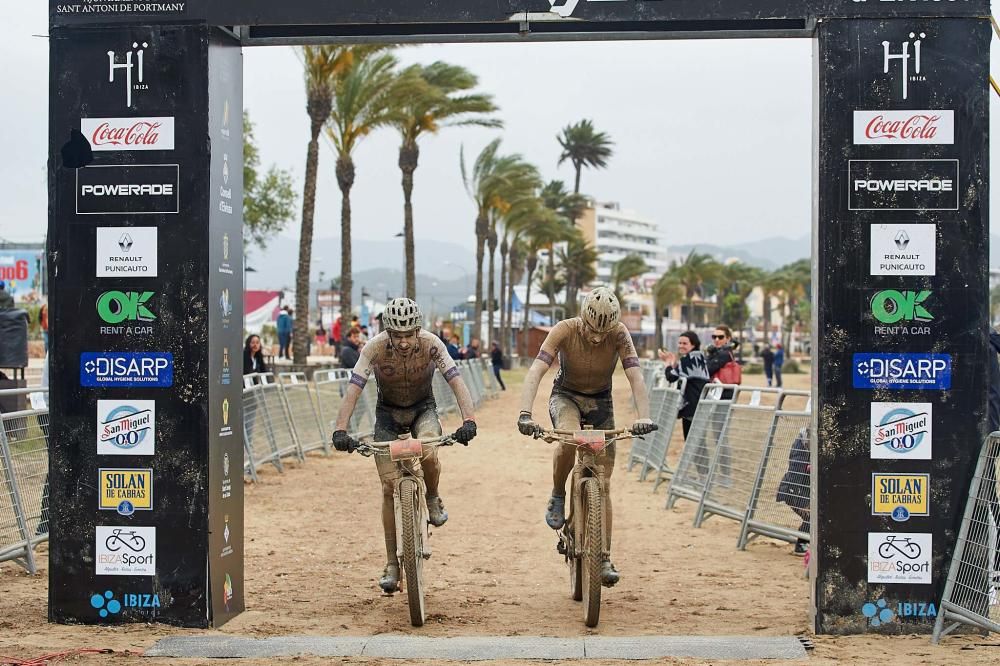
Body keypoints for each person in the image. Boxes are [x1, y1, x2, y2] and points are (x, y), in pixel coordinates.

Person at [331, 298, 478, 594]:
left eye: (409, 334)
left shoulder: (432, 343)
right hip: (387, 415)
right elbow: (354, 388)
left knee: (429, 449)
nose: (404, 342)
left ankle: (433, 496)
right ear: (388, 332)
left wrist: (468, 420)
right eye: (397, 335)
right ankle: (391, 564)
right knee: (387, 488)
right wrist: (340, 429)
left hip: (423, 409)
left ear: (418, 330)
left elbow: (456, 381)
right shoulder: (373, 348)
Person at [517, 287, 656, 587]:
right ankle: (558, 494)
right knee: (568, 438)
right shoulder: (563, 330)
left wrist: (643, 416)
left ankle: (604, 556)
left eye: (603, 332)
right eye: (593, 330)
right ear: (583, 319)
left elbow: (635, 375)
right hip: (565, 396)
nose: (597, 338)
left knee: (603, 484)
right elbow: (536, 371)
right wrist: (525, 413)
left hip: (601, 402)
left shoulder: (619, 334)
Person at [658, 331, 710, 439]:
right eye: (680, 343)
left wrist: (667, 363)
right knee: (698, 442)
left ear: (693, 344)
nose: (681, 346)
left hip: (691, 406)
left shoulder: (689, 359)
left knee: (692, 442)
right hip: (700, 405)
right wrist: (673, 363)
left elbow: (671, 376)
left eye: (685, 343)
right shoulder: (699, 357)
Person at [776, 427, 810, 556]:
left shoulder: (807, 446)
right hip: (793, 491)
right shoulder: (801, 447)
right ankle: (801, 544)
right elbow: (796, 473)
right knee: (814, 516)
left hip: (801, 491)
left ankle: (806, 542)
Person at [706, 325, 741, 399]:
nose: (717, 339)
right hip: (719, 391)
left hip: (722, 393)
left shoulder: (724, 353)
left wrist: (711, 354)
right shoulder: (721, 352)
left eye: (720, 337)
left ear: (728, 339)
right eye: (714, 337)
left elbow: (708, 370)